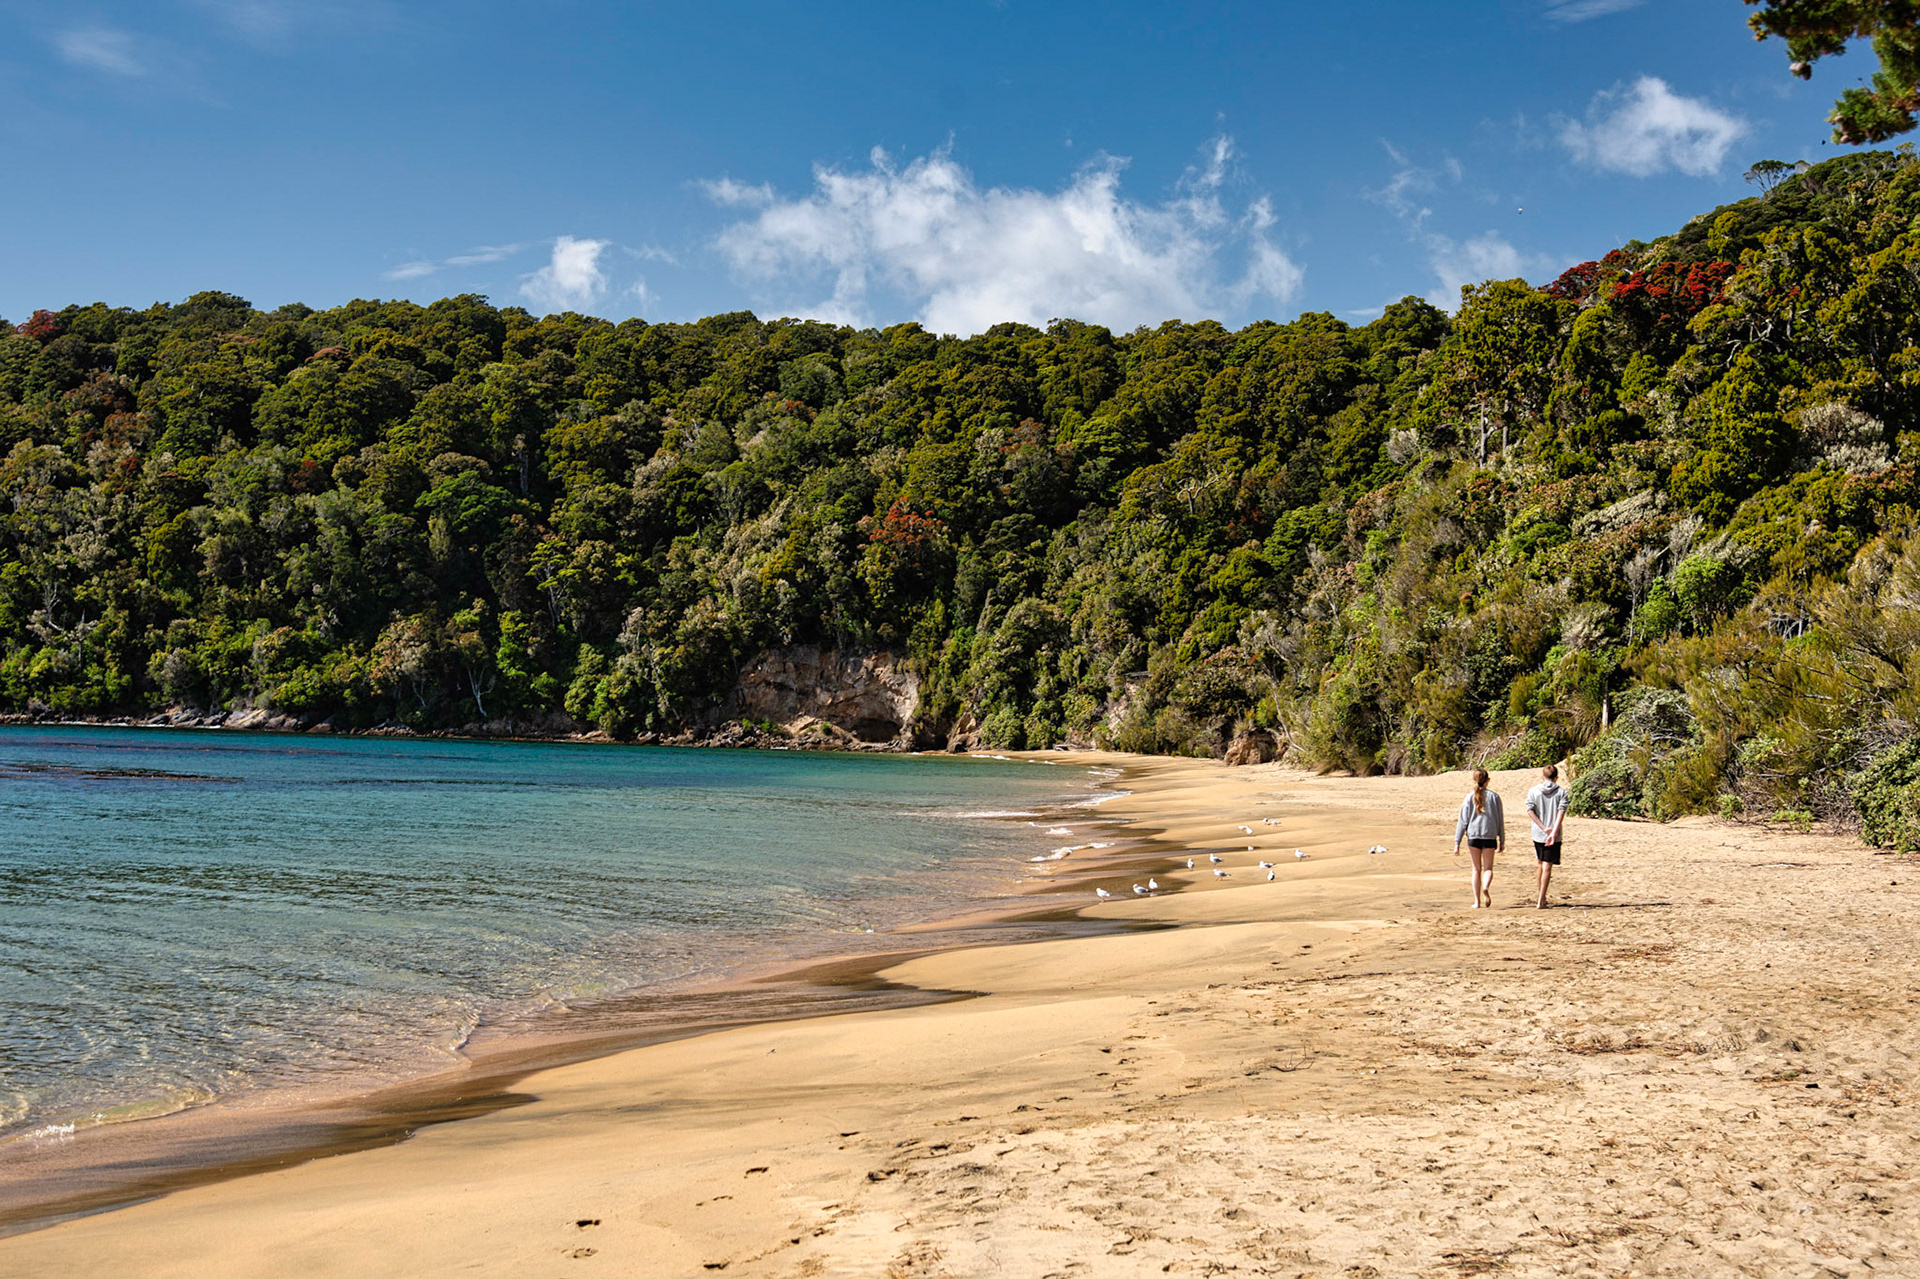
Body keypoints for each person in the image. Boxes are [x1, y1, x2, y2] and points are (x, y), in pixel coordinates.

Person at [1451, 768, 1504, 908]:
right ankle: (1485, 887)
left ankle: (1477, 901)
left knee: (1476, 869)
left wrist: (1457, 842)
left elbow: (1463, 820)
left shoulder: (1469, 797)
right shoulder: (1495, 797)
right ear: (1488, 780)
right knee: (1488, 868)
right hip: (1489, 836)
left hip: (1474, 836)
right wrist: (1502, 840)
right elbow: (1500, 820)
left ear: (1474, 780)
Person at [1525, 763, 1569, 908]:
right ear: (1556, 777)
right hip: (1553, 834)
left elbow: (1530, 811)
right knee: (1547, 866)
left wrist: (1543, 828)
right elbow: (1561, 813)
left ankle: (1541, 896)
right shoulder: (1562, 792)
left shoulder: (1533, 791)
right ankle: (1541, 899)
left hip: (1538, 833)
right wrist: (1553, 831)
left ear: (1543, 776)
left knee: (1540, 863)